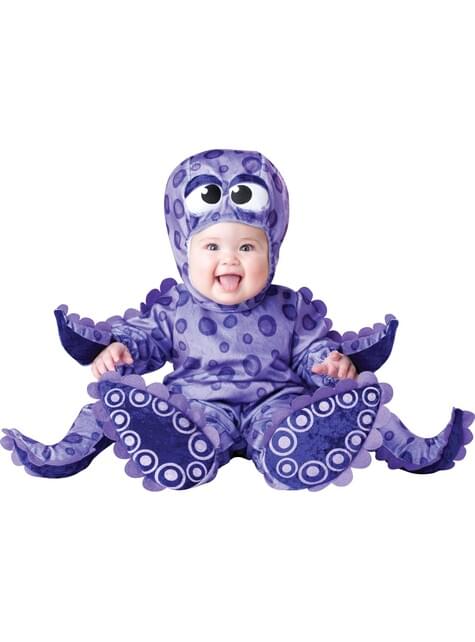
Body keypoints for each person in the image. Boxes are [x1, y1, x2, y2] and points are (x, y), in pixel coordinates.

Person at [3, 149, 470, 491]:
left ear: (273, 248)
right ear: (183, 251)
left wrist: (328, 364)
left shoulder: (289, 306)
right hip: (199, 406)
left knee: (348, 409)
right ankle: (172, 445)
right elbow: (145, 339)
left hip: (278, 405)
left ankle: (308, 449)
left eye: (247, 246)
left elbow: (311, 349)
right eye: (212, 246)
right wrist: (121, 351)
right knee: (116, 410)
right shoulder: (175, 308)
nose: (230, 259)